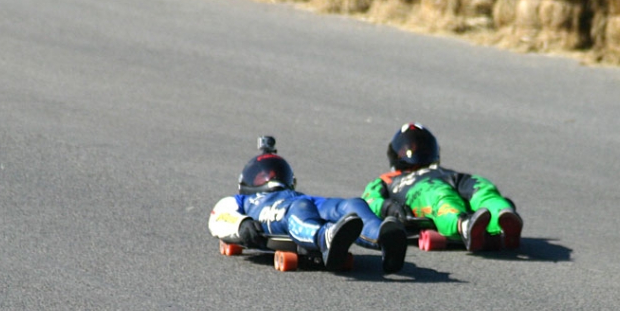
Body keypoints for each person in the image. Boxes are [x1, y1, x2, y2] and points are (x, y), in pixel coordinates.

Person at [209, 136, 406, 273]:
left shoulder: (295, 194)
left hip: (302, 201)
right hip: (277, 212)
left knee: (352, 205)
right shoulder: (244, 200)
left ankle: (382, 237)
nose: (272, 177)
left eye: (277, 172)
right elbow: (218, 216)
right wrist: (241, 224)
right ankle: (325, 238)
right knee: (299, 209)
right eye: (264, 174)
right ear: (247, 181)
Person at [361, 123, 523, 251]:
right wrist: (388, 207)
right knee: (440, 195)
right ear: (396, 154)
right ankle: (464, 225)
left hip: (452, 178)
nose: (415, 153)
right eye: (408, 149)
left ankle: (502, 217)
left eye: (422, 148)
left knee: (483, 188)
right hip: (420, 190)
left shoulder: (439, 169)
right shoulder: (387, 179)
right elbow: (368, 200)